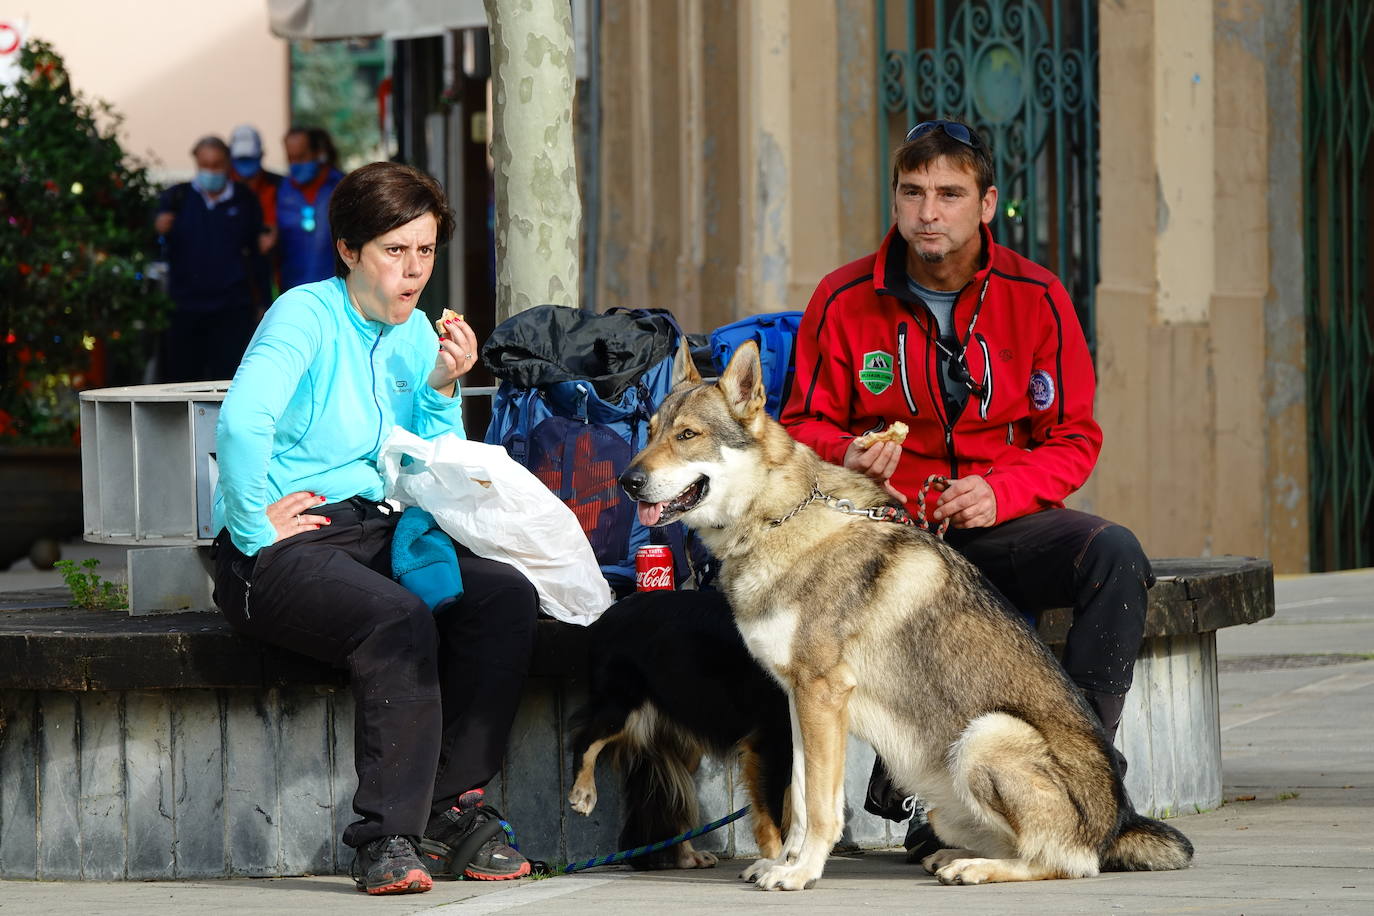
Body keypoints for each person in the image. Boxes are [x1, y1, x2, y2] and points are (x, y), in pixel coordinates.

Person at [780, 118, 1154, 861]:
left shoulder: (1038, 296)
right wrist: (848, 452)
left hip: (999, 518)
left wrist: (1001, 491)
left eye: (949, 194)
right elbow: (798, 424)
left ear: (986, 205)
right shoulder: (842, 297)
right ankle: (929, 796)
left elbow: (1075, 435)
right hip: (891, 536)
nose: (928, 212)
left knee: (1113, 552)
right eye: (913, 192)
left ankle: (1081, 776)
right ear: (894, 200)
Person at [209, 161, 538, 895]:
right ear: (350, 250)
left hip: (375, 527)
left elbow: (426, 453)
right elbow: (244, 420)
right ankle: (385, 836)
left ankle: (450, 810)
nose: (413, 269)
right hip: (282, 543)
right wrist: (249, 526)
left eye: (424, 250)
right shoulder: (305, 314)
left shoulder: (417, 333)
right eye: (395, 250)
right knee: (398, 620)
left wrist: (445, 386)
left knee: (504, 599)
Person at [153, 135, 269, 382]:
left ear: (227, 164)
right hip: (186, 309)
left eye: (216, 164)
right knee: (184, 381)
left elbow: (257, 256)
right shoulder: (177, 198)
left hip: (232, 310)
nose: (211, 172)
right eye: (205, 165)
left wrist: (263, 302)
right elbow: (153, 249)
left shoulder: (245, 199)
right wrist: (158, 230)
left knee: (228, 381)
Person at [276, 126, 345, 292]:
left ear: (317, 153)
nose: (296, 164)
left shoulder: (342, 186)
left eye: (301, 157)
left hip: (337, 291)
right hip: (293, 291)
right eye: (291, 159)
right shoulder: (281, 190)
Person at [228, 124, 282, 304]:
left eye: (249, 158)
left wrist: (277, 234)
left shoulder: (279, 186)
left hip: (272, 270)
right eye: (241, 159)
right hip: (235, 277)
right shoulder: (223, 189)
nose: (245, 165)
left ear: (261, 155)